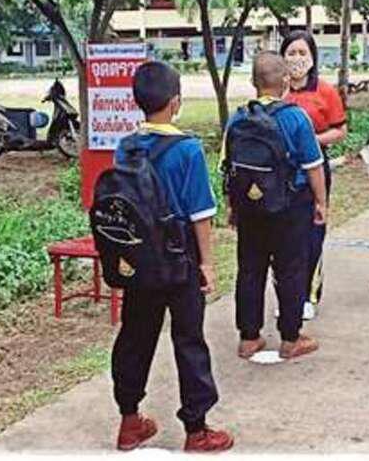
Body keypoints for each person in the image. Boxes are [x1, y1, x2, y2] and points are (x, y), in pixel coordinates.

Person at [110, 62, 233, 453]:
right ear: (175, 102)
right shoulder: (188, 149)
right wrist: (207, 264)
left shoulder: (126, 146)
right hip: (180, 257)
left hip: (139, 257)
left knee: (135, 335)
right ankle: (196, 430)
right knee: (189, 339)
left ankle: (130, 420)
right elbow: (201, 214)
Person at [223, 51, 328, 361]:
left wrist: (233, 206)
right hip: (290, 207)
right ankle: (291, 338)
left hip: (250, 208)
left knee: (249, 270)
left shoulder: (238, 118)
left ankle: (249, 338)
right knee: (291, 270)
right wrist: (321, 202)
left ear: (253, 82)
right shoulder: (296, 117)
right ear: (285, 80)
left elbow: (229, 169)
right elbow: (313, 166)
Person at [281, 31, 347, 319]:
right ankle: (287, 296)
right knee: (283, 237)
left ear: (313, 57)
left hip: (315, 170)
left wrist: (310, 142)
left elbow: (340, 130)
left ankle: (308, 295)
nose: (297, 59)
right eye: (291, 53)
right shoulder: (277, 91)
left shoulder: (325, 91)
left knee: (312, 234)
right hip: (281, 173)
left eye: (302, 53)